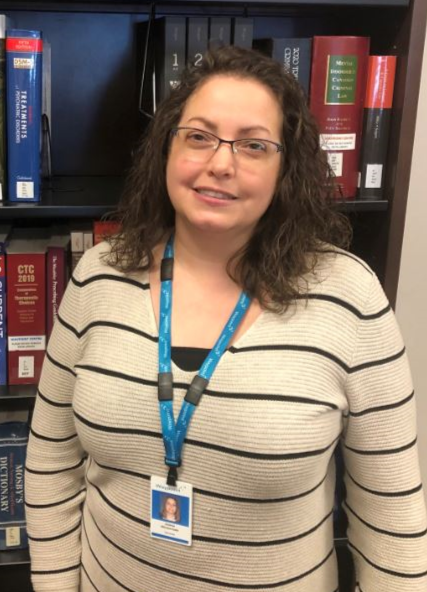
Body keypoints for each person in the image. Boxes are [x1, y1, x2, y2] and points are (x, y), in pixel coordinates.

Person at [25, 45, 427, 592]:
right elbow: (51, 461)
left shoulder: (347, 296)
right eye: (199, 136)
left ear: (287, 168)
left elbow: (392, 516)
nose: (220, 163)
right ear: (166, 148)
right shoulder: (98, 274)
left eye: (254, 145)